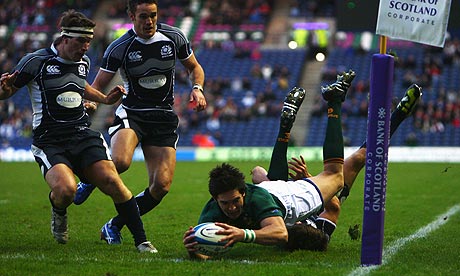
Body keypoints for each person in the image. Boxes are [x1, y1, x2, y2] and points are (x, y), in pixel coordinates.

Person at [0, 10, 157, 253]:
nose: (86, 47)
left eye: (89, 41)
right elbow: (9, 90)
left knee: (113, 182)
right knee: (66, 190)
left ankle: (142, 241)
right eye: (81, 41)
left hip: (82, 134)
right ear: (64, 38)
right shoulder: (36, 61)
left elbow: (80, 85)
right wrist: (4, 90)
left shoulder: (82, 62)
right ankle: (58, 209)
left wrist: (104, 98)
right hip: (50, 140)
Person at [72, 0, 207, 244]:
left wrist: (197, 88)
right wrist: (93, 101)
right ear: (132, 16)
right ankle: (88, 178)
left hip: (163, 117)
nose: (149, 21)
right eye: (143, 16)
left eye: (153, 15)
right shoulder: (119, 46)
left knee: (161, 186)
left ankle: (113, 225)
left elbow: (194, 67)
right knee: (121, 162)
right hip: (132, 113)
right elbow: (99, 84)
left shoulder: (174, 37)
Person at [183, 70, 356, 259]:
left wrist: (243, 234)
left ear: (244, 192)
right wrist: (194, 250)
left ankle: (334, 102)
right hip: (270, 186)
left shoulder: (257, 200)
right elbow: (204, 253)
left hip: (292, 199)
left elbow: (281, 233)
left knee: (336, 177)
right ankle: (284, 129)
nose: (231, 208)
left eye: (235, 201)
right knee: (262, 174)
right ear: (215, 199)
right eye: (225, 203)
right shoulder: (211, 210)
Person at [252, 83, 423, 250]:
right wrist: (308, 178)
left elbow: (258, 174)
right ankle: (400, 114)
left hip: (292, 193)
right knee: (360, 157)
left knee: (259, 174)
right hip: (326, 194)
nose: (297, 220)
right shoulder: (322, 230)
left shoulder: (280, 226)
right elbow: (333, 205)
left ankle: (286, 127)